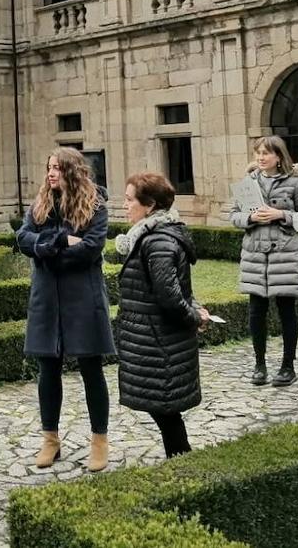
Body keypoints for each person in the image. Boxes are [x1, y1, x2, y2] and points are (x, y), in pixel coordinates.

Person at [15, 147, 115, 473]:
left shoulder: (95, 205)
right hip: (47, 296)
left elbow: (91, 248)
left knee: (91, 369)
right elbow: (23, 238)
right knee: (48, 369)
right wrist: (59, 241)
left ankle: (99, 441)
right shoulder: (40, 204)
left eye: (56, 168)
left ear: (72, 170)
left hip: (82, 296)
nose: (50, 173)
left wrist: (46, 246)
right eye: (48, 167)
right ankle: (50, 440)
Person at [114, 172, 210, 458]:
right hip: (152, 340)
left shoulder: (157, 242)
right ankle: (181, 463)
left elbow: (170, 297)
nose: (124, 205)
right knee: (165, 412)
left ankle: (184, 466)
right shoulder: (149, 237)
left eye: (130, 200)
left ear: (150, 205)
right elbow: (177, 288)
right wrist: (195, 308)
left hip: (158, 342)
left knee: (166, 412)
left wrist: (194, 317)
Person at [228, 136, 298, 387]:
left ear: (279, 156)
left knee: (287, 311)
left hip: (285, 254)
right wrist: (251, 218)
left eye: (266, 153)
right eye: (258, 152)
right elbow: (233, 217)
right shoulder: (248, 183)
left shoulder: (296, 183)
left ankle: (288, 366)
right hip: (256, 255)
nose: (261, 157)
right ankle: (259, 365)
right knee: (256, 312)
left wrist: (281, 214)